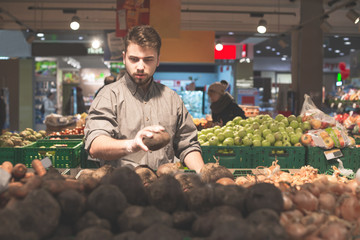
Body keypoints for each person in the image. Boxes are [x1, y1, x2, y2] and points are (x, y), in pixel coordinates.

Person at [84, 25, 204, 173]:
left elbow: (188, 145)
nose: (140, 67)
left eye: (148, 60)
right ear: (124, 58)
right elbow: (95, 145)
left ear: (158, 60)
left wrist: (204, 173)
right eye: (134, 59)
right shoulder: (108, 96)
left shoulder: (172, 99)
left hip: (164, 187)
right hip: (122, 189)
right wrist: (132, 145)